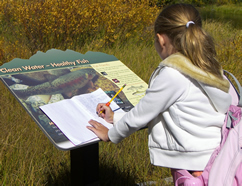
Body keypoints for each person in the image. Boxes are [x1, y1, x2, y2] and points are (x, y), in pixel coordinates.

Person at [87, 3, 231, 178]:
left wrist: (110, 134)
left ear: (161, 40)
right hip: (215, 156)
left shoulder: (173, 74)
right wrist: (114, 117)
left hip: (194, 166)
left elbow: (142, 113)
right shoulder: (209, 67)